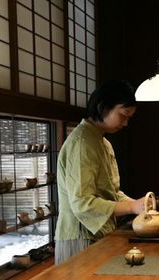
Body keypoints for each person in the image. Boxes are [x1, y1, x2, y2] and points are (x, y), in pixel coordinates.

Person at [55, 80, 145, 264]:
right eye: (123, 114)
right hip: (80, 236)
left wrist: (139, 204)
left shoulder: (103, 142)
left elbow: (110, 193)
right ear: (103, 107)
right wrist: (131, 207)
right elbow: (82, 203)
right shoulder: (82, 142)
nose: (126, 123)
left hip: (97, 233)